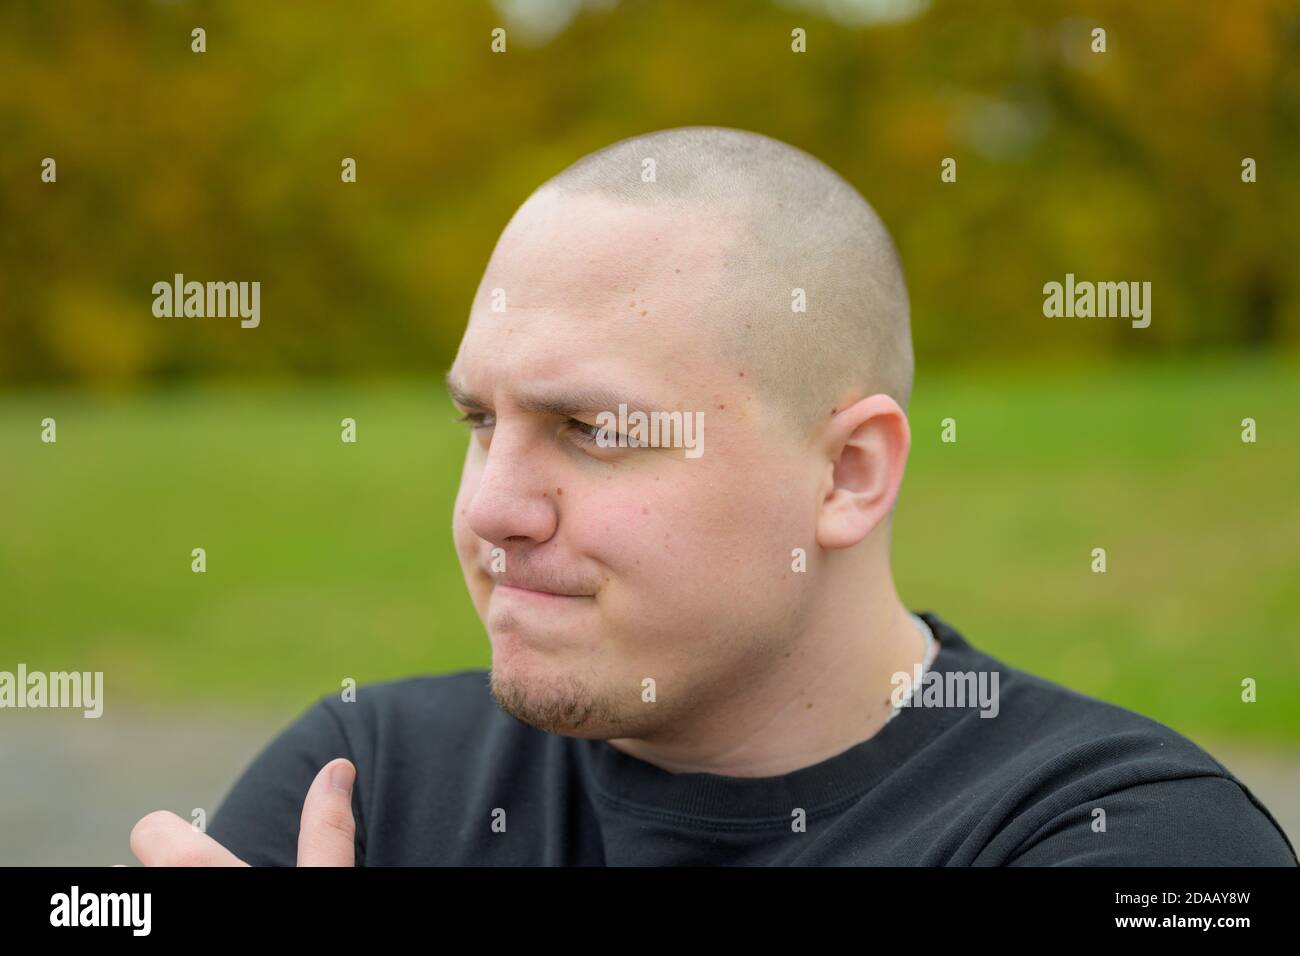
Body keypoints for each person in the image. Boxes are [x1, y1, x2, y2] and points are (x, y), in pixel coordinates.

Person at [128, 127, 1297, 866]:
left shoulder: (1122, 836)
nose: (491, 508)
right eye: (480, 422)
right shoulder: (370, 781)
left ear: (847, 472)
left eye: (590, 430)